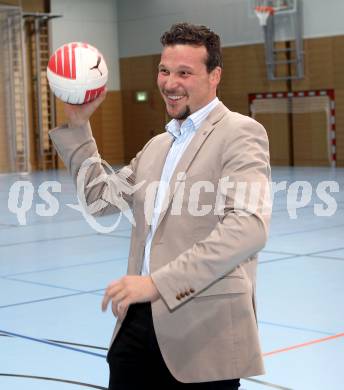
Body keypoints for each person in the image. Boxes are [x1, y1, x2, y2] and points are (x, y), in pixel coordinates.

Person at [49, 22, 271, 389]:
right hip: (137, 326)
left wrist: (157, 284)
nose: (170, 83)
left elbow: (248, 228)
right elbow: (99, 198)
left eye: (185, 72)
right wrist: (78, 124)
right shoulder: (158, 146)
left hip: (203, 333)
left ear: (215, 76)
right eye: (164, 71)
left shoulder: (240, 133)